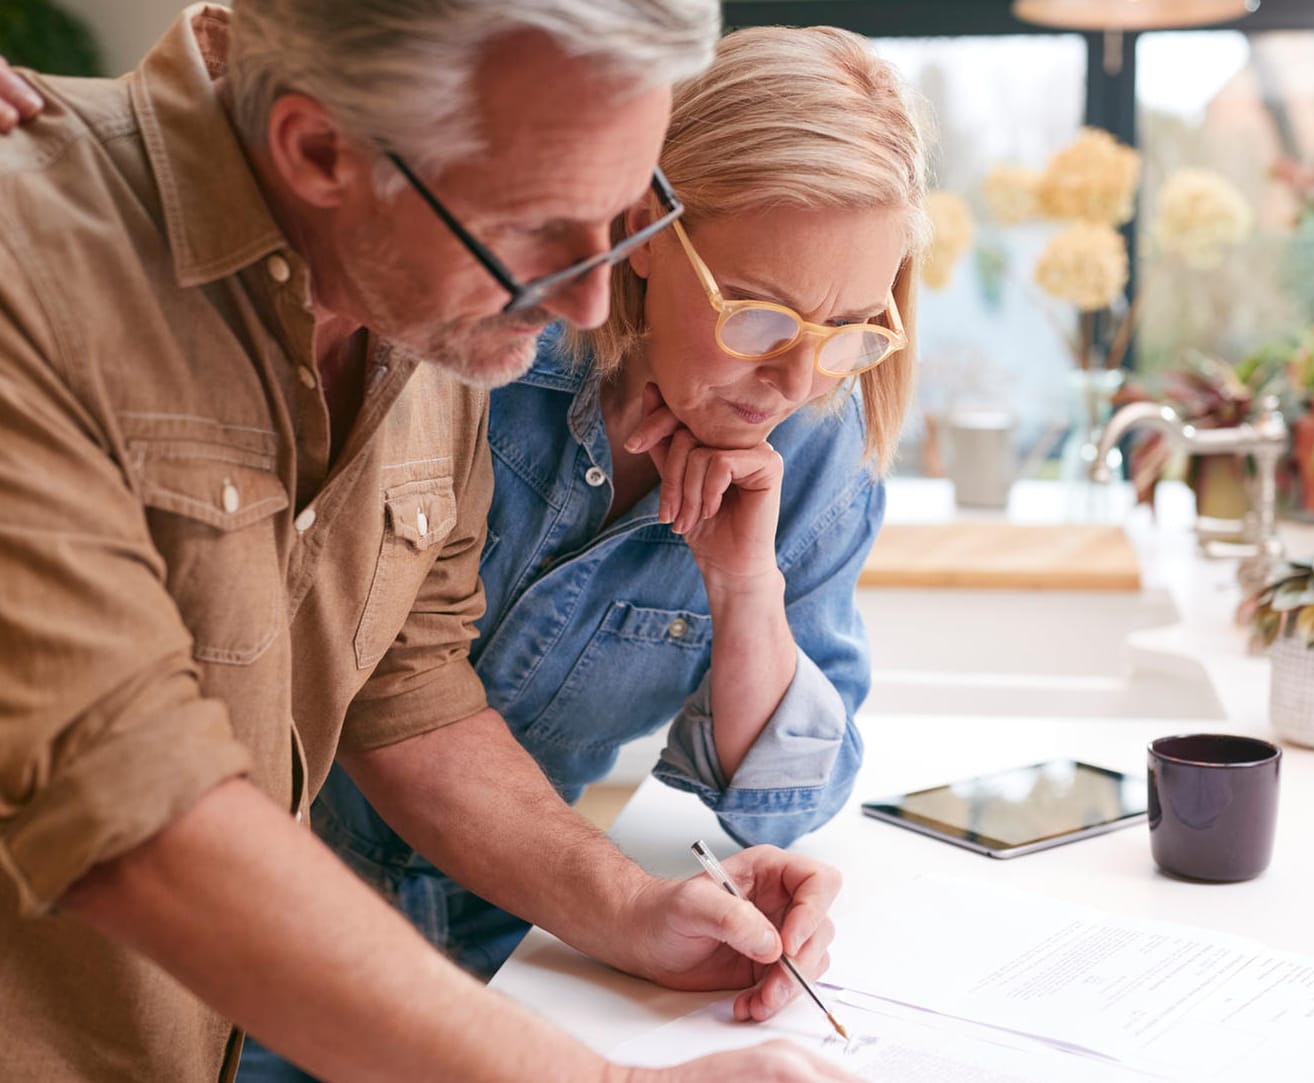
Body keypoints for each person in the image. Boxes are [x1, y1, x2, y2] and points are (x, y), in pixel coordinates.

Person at [0, 4, 859, 1082]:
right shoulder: (23, 256)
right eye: (537, 228)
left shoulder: (421, 306)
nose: (592, 300)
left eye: (624, 220)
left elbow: (410, 691)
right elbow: (129, 808)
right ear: (318, 151)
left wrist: (628, 908)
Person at [232, 23, 931, 1081]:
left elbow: (782, 803)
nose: (795, 380)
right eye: (756, 316)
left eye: (848, 331)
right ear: (647, 226)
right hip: (270, 914)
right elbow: (382, 684)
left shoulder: (819, 446)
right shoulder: (475, 343)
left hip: (531, 947)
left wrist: (744, 585)